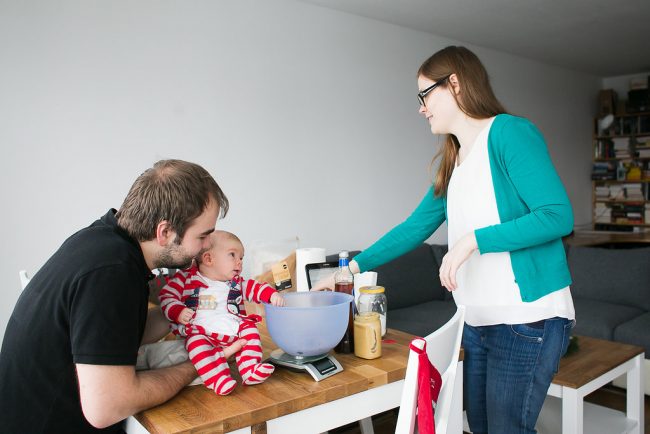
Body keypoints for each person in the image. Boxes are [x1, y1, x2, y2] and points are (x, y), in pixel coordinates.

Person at [314, 46, 575, 434]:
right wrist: (347, 269)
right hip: (476, 319)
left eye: (425, 94)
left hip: (527, 318)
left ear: (454, 83)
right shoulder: (455, 158)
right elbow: (414, 228)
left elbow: (557, 216)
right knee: (481, 427)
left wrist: (472, 241)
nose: (421, 108)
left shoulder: (508, 133)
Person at [0, 159, 246, 433]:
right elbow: (107, 408)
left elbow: (117, 334)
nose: (207, 246)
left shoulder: (104, 241)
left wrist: (193, 308)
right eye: (203, 236)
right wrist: (199, 365)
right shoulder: (111, 273)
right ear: (164, 232)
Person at [159, 230, 285, 395]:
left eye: (241, 258)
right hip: (200, 331)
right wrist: (178, 310)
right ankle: (217, 379)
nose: (239, 262)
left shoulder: (235, 283)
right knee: (196, 347)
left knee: (250, 329)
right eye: (232, 255)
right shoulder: (185, 279)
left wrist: (272, 295)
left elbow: (255, 287)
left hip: (233, 328)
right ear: (209, 259)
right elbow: (167, 296)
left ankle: (250, 369)